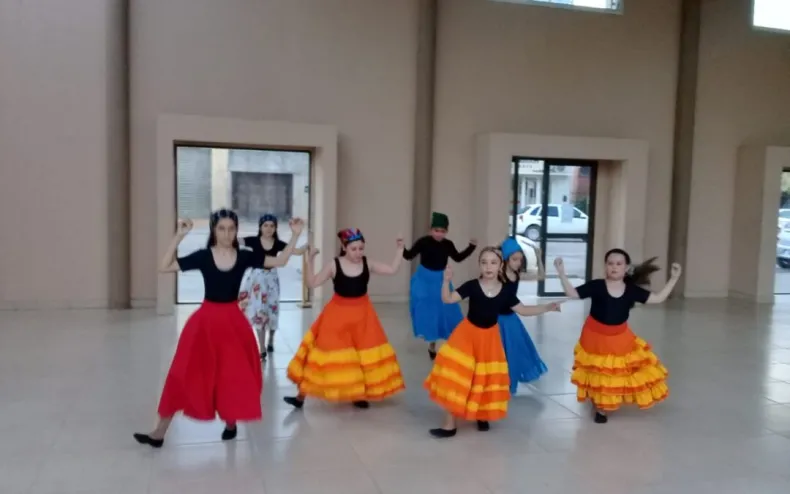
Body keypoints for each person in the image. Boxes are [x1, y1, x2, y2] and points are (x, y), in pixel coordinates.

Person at [133, 210, 304, 448]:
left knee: (231, 375)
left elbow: (281, 261)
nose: (226, 234)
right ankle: (159, 433)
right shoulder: (204, 256)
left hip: (233, 323)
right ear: (214, 230)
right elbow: (165, 266)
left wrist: (295, 235)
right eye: (221, 228)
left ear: (236, 230)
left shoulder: (245, 256)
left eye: (231, 229)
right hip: (205, 322)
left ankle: (230, 423)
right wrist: (179, 236)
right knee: (182, 374)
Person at [424, 247, 563, 438]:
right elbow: (447, 299)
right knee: (459, 376)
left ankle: (482, 414)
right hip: (467, 335)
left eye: (493, 262)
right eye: (484, 262)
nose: (488, 267)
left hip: (489, 339)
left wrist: (548, 307)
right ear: (479, 266)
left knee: (485, 377)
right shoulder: (472, 285)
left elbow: (523, 310)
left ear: (500, 266)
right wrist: (446, 281)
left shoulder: (505, 291)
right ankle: (449, 424)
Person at [284, 228, 406, 409]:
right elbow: (312, 283)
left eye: (361, 248)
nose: (358, 253)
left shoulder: (368, 263)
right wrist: (310, 261)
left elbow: (392, 269)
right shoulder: (334, 265)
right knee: (324, 354)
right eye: (353, 249)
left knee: (362, 356)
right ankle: (301, 397)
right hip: (337, 316)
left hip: (363, 316)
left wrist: (400, 249)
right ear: (344, 247)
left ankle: (358, 394)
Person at [554, 249, 680, 424]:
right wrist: (561, 273)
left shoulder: (631, 290)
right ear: (606, 266)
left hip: (619, 336)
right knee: (598, 370)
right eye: (610, 263)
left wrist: (673, 278)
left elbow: (658, 298)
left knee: (615, 371)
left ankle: (604, 403)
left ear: (626, 268)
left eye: (619, 264)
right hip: (594, 335)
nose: (614, 267)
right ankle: (600, 406)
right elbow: (572, 293)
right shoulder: (597, 286)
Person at [403, 212, 476, 360]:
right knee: (427, 311)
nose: (439, 234)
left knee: (446, 311)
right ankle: (430, 341)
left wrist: (471, 247)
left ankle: (444, 344)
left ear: (446, 231)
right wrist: (401, 247)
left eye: (442, 231)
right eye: (436, 230)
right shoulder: (423, 242)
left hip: (440, 281)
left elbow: (458, 257)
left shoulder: (447, 244)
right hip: (424, 279)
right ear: (431, 230)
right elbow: (408, 255)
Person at [238, 213, 307, 360]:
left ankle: (270, 340)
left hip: (271, 280)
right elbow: (235, 241)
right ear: (260, 227)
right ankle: (262, 347)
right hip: (257, 280)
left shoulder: (278, 243)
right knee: (259, 311)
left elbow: (297, 251)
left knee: (272, 310)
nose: (268, 228)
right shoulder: (253, 240)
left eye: (272, 226)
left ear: (275, 228)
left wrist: (307, 245)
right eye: (265, 225)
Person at [498, 237, 548, 394]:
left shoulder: (518, 275)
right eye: (514, 259)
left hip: (511, 319)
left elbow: (541, 276)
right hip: (496, 320)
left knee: (513, 352)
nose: (518, 263)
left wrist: (538, 256)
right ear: (506, 259)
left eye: (520, 260)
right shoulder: (498, 276)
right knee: (498, 352)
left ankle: (508, 381)